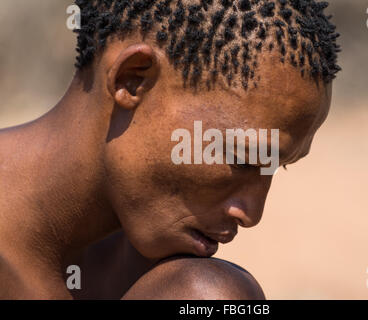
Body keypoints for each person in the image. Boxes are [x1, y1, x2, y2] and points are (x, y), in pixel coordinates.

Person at [0, 0, 340, 299]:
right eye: (241, 159)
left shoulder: (168, 275)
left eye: (277, 166)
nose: (251, 214)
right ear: (133, 80)